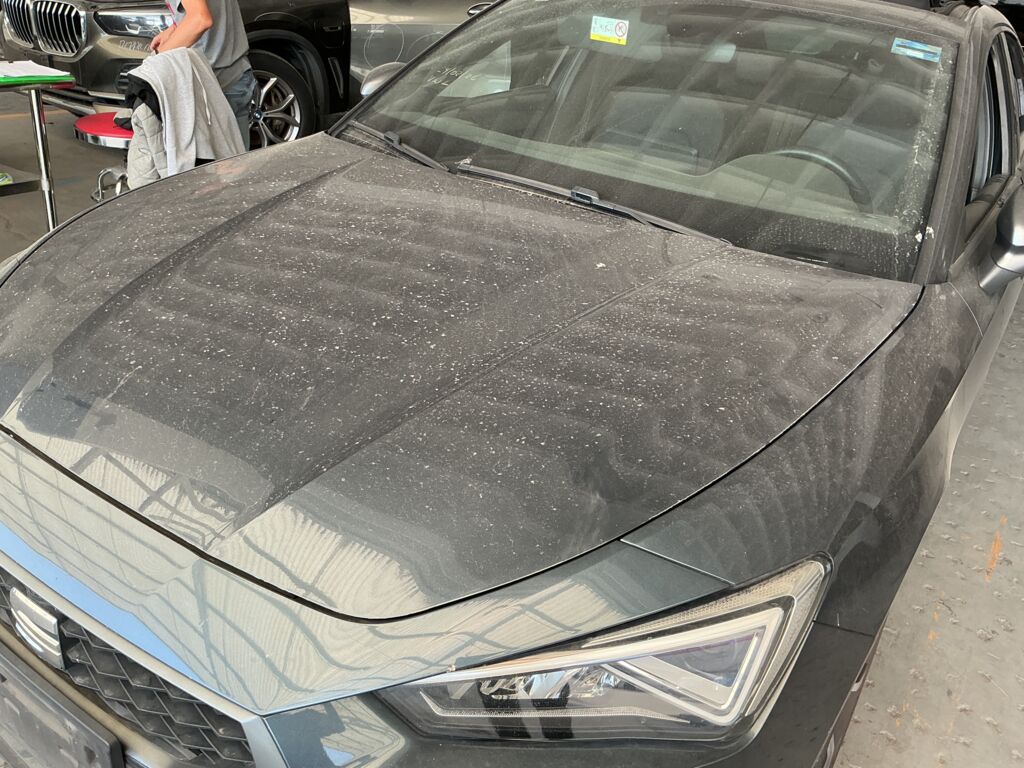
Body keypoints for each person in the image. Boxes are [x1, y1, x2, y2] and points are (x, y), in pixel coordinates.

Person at [149, 0, 255, 148]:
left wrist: (155, 61)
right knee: (239, 157)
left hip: (215, 86)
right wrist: (174, 28)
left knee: (216, 162)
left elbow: (200, 19)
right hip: (236, 74)